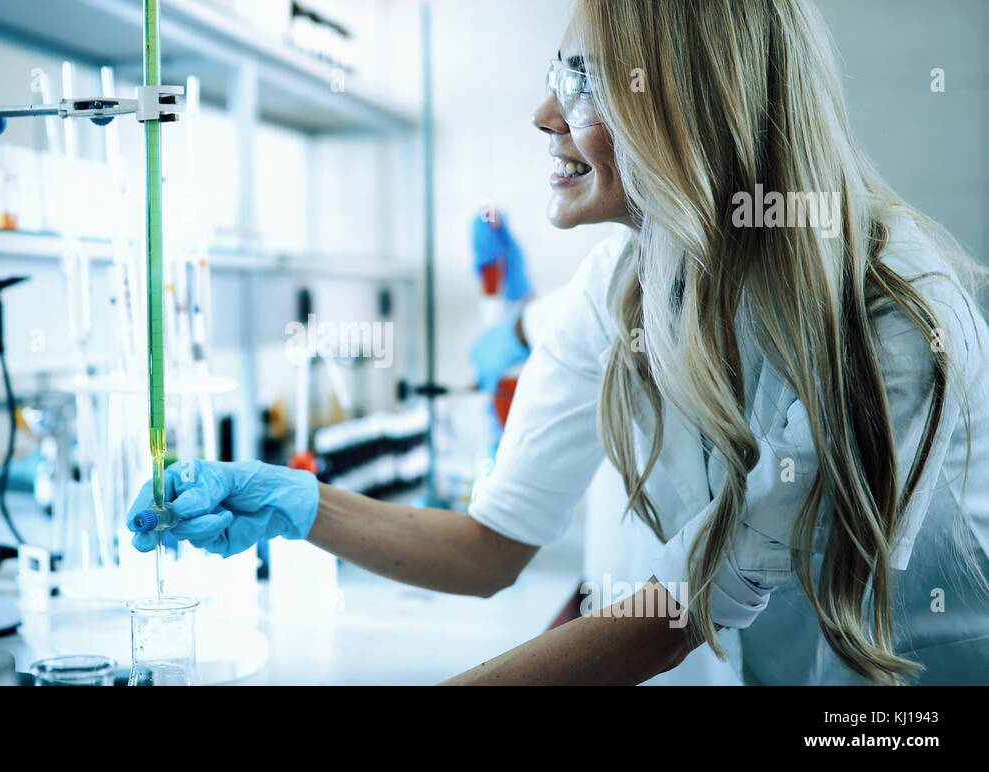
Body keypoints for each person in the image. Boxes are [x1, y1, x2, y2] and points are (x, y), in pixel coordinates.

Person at [129, 0, 989, 685]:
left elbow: (675, 614)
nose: (543, 114)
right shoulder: (622, 285)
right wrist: (299, 505)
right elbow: (492, 546)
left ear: (691, 101)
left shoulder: (893, 315)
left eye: (583, 84)